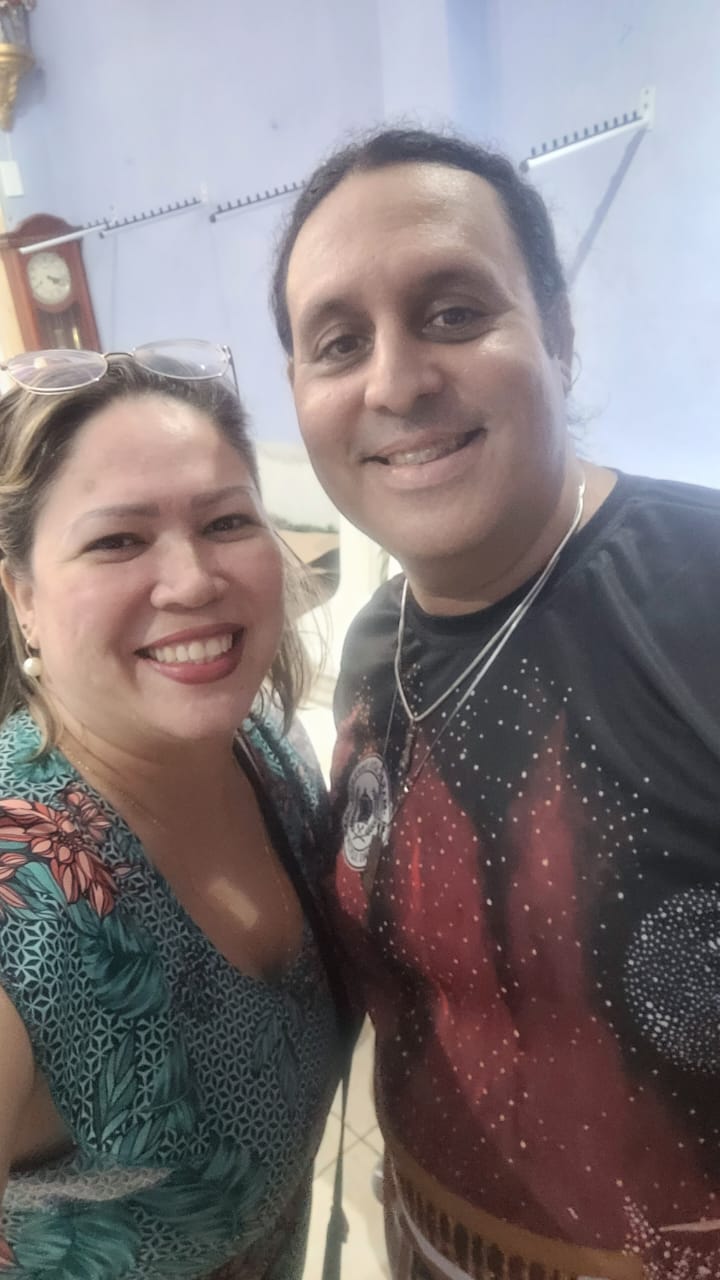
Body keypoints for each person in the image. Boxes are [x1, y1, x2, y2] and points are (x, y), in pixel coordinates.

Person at [271, 127, 720, 1279]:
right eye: (338, 341)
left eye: (454, 312)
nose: (396, 381)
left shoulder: (699, 602)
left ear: (558, 333)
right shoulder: (379, 646)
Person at [0, 343, 343, 1280]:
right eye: (118, 539)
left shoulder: (267, 751)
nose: (192, 580)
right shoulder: (24, 896)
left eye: (226, 521)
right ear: (23, 595)